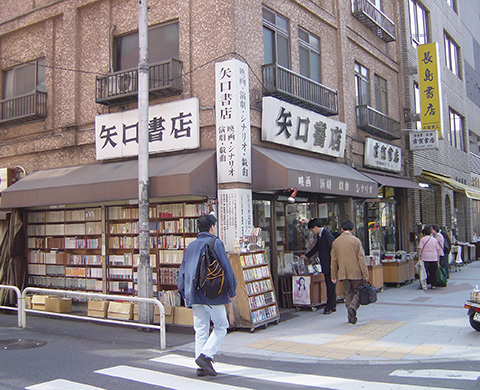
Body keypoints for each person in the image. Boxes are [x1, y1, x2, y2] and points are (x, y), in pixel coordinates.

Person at [177, 214, 237, 377]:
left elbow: (182, 270)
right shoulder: (215, 242)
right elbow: (226, 267)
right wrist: (232, 290)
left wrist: (183, 292)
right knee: (221, 326)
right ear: (212, 227)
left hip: (193, 295)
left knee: (201, 329)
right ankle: (205, 356)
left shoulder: (191, 245)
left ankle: (200, 366)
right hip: (212, 293)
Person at [331, 220, 369, 325]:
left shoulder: (336, 242)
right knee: (357, 292)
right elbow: (361, 259)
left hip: (343, 273)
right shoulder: (356, 241)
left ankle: (349, 314)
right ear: (352, 229)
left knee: (347, 293)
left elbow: (333, 260)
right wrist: (365, 274)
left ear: (342, 229)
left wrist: (333, 275)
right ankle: (353, 307)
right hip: (356, 272)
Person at [300, 218, 336, 315]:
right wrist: (307, 255)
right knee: (330, 285)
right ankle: (332, 305)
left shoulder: (326, 235)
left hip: (329, 264)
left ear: (316, 227)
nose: (312, 232)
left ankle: (329, 306)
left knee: (330, 285)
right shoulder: (321, 235)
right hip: (326, 264)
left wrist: (334, 264)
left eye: (312, 229)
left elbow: (333, 250)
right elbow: (316, 248)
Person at [418, 225, 442, 290]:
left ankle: (423, 284)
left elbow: (420, 248)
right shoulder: (434, 240)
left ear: (424, 233)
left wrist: (419, 256)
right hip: (434, 257)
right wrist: (437, 258)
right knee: (433, 272)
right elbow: (437, 249)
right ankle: (433, 284)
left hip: (425, 257)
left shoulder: (422, 239)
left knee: (424, 271)